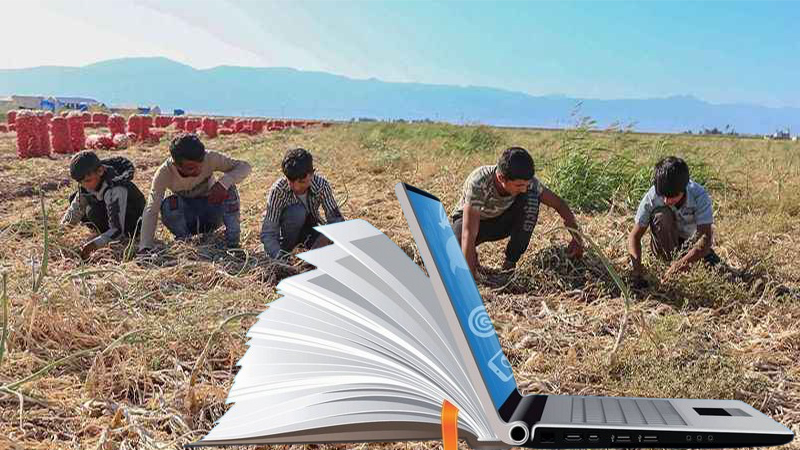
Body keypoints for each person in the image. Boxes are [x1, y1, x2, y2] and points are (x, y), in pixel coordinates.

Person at [452, 146, 583, 277]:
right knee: (453, 247)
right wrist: (469, 279)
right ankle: (472, 260)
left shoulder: (527, 183)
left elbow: (559, 204)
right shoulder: (479, 181)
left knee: (531, 199)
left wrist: (576, 237)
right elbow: (468, 233)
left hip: (501, 222)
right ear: (501, 178)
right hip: (472, 223)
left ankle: (509, 266)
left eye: (527, 184)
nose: (524, 189)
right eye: (519, 185)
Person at [138, 133, 251, 252]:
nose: (199, 170)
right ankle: (187, 244)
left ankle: (233, 244)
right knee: (169, 204)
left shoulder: (210, 158)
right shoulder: (164, 173)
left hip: (212, 212)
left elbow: (245, 166)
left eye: (201, 164)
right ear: (176, 165)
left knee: (229, 189)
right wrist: (145, 246)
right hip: (186, 220)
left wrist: (223, 183)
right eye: (191, 168)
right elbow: (151, 209)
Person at [628, 156, 720, 286]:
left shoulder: (699, 195)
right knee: (662, 215)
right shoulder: (652, 196)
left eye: (672, 196)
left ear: (684, 188)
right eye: (663, 195)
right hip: (663, 244)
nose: (666, 201)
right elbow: (634, 236)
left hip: (690, 244)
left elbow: (705, 239)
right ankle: (667, 262)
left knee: (720, 273)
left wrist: (682, 264)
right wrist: (637, 271)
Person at [260, 148, 344, 260]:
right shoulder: (278, 191)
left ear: (311, 174)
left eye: (301, 182)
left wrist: (324, 239)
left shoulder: (321, 186)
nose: (296, 187)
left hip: (309, 231)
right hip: (286, 236)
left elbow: (337, 221)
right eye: (291, 182)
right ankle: (287, 252)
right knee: (297, 212)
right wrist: (279, 257)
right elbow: (268, 233)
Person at [61, 151, 146, 259]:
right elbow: (75, 209)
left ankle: (111, 237)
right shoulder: (87, 184)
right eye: (81, 182)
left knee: (93, 211)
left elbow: (117, 230)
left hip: (131, 224)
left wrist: (95, 244)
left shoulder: (115, 188)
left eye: (87, 181)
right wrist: (60, 231)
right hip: (110, 216)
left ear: (100, 171)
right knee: (75, 197)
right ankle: (105, 234)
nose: (84, 185)